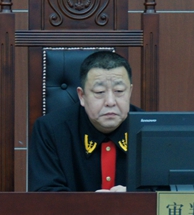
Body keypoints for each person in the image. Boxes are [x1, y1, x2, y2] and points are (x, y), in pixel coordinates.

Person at [28, 51, 141, 192]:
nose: (110, 102)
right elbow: (45, 194)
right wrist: (91, 203)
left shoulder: (150, 129)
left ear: (130, 92)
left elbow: (163, 191)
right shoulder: (50, 130)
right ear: (82, 96)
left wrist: (135, 199)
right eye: (99, 92)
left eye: (119, 91)